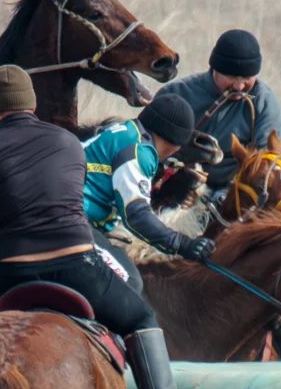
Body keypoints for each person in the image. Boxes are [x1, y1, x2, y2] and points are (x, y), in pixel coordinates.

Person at [0, 64, 199, 389]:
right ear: (32, 106)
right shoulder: (66, 142)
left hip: (10, 271)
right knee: (140, 314)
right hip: (76, 261)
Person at [82, 95, 216, 292]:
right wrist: (182, 244)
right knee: (129, 283)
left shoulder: (124, 131)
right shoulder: (139, 152)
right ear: (175, 142)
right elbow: (136, 216)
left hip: (65, 212)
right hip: (73, 221)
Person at [154, 29, 281, 190]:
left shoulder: (264, 102)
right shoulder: (175, 95)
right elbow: (147, 151)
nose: (239, 86)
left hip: (238, 196)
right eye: (231, 77)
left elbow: (269, 165)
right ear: (214, 69)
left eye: (246, 78)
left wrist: (224, 197)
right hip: (178, 190)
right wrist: (175, 183)